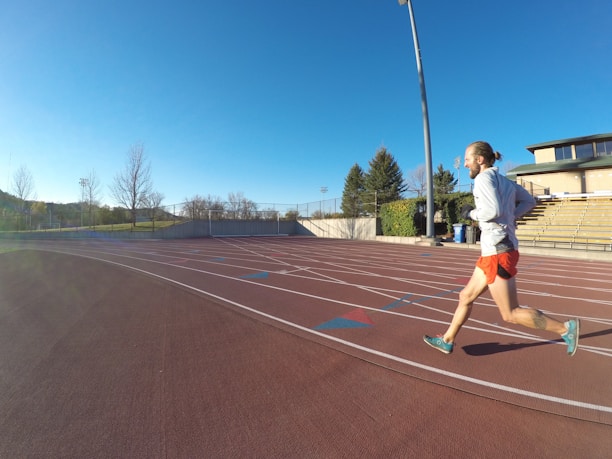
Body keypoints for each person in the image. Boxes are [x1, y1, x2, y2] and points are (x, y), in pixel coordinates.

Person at [423, 141, 580, 356]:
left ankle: (565, 328)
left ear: (480, 160)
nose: (466, 164)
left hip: (498, 251)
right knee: (465, 296)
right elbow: (529, 202)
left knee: (510, 313)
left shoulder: (483, 179)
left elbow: (492, 209)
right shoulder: (505, 182)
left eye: (467, 159)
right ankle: (448, 339)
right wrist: (511, 216)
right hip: (496, 249)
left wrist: (471, 214)